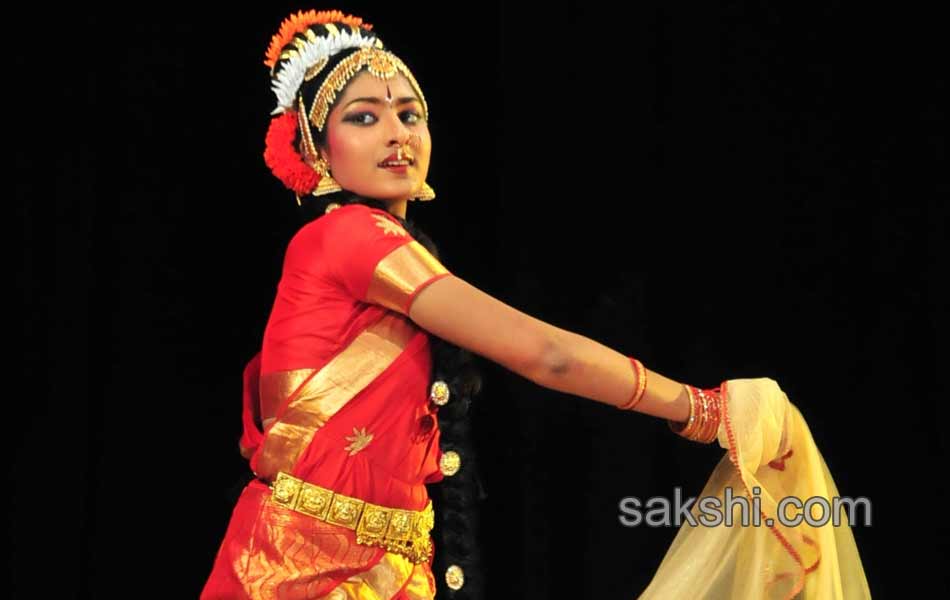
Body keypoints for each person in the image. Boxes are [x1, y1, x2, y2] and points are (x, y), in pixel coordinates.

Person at [201, 10, 870, 599]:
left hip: (389, 568)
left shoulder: (390, 250)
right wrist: (698, 409)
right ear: (315, 150)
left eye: (410, 114)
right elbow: (546, 355)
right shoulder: (348, 235)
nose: (396, 134)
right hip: (302, 570)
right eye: (363, 117)